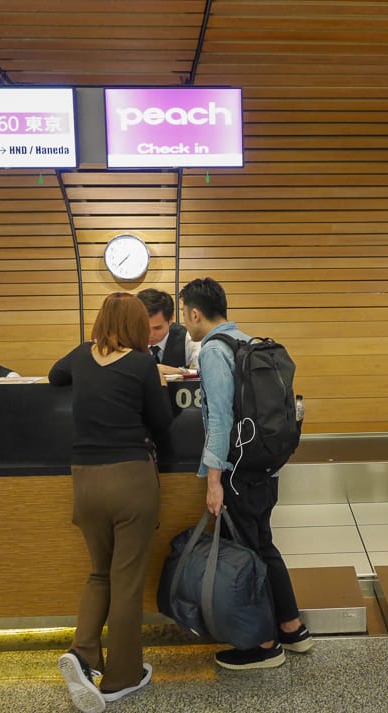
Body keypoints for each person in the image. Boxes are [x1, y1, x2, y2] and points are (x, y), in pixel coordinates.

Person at [49, 293, 173, 713]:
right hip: (130, 480)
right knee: (126, 580)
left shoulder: (82, 355)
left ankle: (83, 653)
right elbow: (162, 423)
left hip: (85, 481)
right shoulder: (142, 365)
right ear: (138, 325)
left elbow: (53, 376)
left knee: (99, 573)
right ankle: (122, 677)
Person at [179, 277, 311, 670]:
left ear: (195, 313)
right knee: (263, 544)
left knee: (248, 553)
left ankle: (264, 644)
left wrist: (214, 481)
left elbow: (219, 419)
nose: (186, 321)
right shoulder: (249, 343)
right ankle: (292, 628)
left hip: (237, 470)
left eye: (185, 313)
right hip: (264, 466)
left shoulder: (214, 351)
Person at [137, 288, 199, 375]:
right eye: (144, 328)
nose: (150, 334)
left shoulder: (187, 337)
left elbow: (202, 372)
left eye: (157, 328)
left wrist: (181, 372)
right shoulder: (129, 339)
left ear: (170, 319)